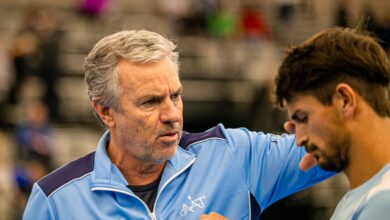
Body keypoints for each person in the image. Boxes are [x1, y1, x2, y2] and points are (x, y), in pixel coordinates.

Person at [23, 30, 333, 219]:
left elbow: (346, 143)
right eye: (151, 101)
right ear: (106, 111)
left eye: (176, 95)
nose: (172, 114)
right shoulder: (55, 200)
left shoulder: (234, 155)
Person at [274, 26, 390, 219]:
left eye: (303, 118)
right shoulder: (366, 194)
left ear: (345, 100)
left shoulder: (382, 201)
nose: (298, 140)